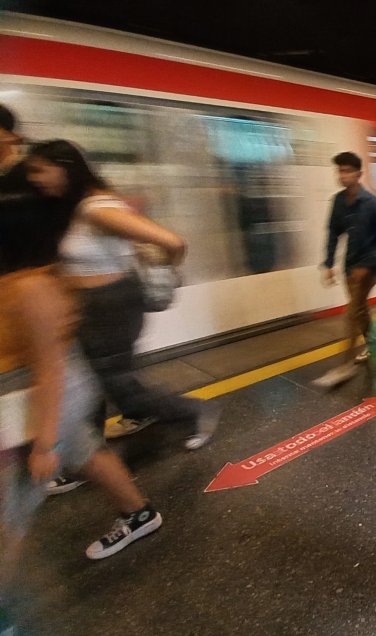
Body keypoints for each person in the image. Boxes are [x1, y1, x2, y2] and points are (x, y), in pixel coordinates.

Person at [0, 191, 164, 631]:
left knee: (9, 511)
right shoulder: (24, 281)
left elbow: (51, 371)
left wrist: (43, 444)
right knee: (86, 450)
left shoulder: (31, 288)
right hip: (40, 399)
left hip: (43, 402)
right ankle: (139, 513)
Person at [24, 141, 220, 492]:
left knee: (119, 388)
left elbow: (172, 241)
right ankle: (84, 457)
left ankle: (194, 411)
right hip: (96, 306)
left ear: (64, 166)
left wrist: (165, 275)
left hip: (111, 307)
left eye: (40, 170)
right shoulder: (86, 205)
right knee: (94, 384)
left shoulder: (96, 210)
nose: (36, 179)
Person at [315, 151, 376, 388]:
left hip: (370, 269)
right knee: (360, 314)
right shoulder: (338, 201)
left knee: (351, 314)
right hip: (349, 267)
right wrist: (328, 264)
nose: (343, 175)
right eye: (340, 170)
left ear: (359, 174)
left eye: (348, 171)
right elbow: (333, 233)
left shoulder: (373, 203)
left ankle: (344, 366)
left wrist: (365, 265)